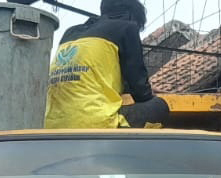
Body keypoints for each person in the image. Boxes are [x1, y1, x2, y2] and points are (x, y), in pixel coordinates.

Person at [44, 0, 169, 130]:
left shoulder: (69, 33)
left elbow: (91, 78)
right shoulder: (127, 27)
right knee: (160, 106)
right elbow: (141, 93)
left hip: (52, 124)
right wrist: (149, 92)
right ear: (132, 17)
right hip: (94, 123)